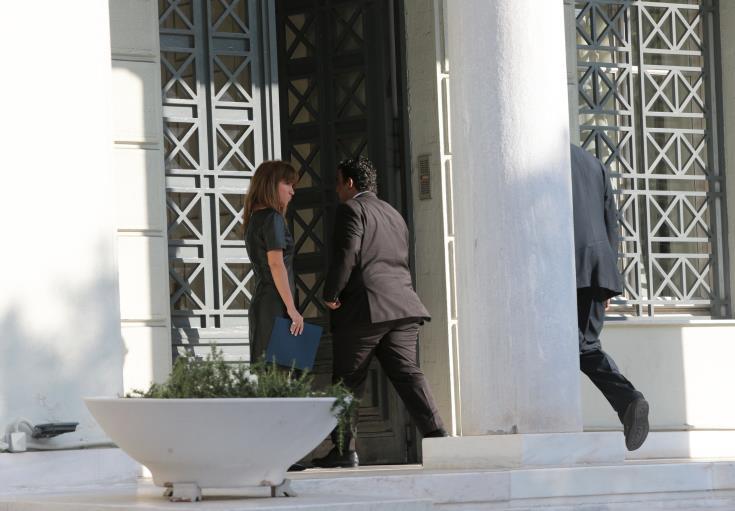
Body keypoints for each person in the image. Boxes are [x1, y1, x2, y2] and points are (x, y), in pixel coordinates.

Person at [312, 157, 447, 468]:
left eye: (338, 183)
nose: (336, 190)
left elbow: (348, 253)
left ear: (349, 183)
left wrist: (331, 293)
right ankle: (438, 436)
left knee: (346, 381)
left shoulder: (351, 209)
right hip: (403, 306)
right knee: (408, 373)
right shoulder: (393, 213)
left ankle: (344, 451)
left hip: (366, 309)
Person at [570, 144, 649, 451]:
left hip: (563, 268)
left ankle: (628, 401)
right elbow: (611, 221)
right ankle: (628, 402)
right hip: (597, 268)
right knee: (585, 345)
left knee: (560, 346)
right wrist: (607, 281)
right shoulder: (593, 162)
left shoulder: (540, 158)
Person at [244, 160, 304, 364]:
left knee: (271, 376)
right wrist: (292, 310)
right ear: (270, 184)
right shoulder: (272, 218)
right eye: (287, 184)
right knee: (285, 375)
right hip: (277, 307)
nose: (292, 191)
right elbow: (276, 264)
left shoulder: (254, 218)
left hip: (265, 305)